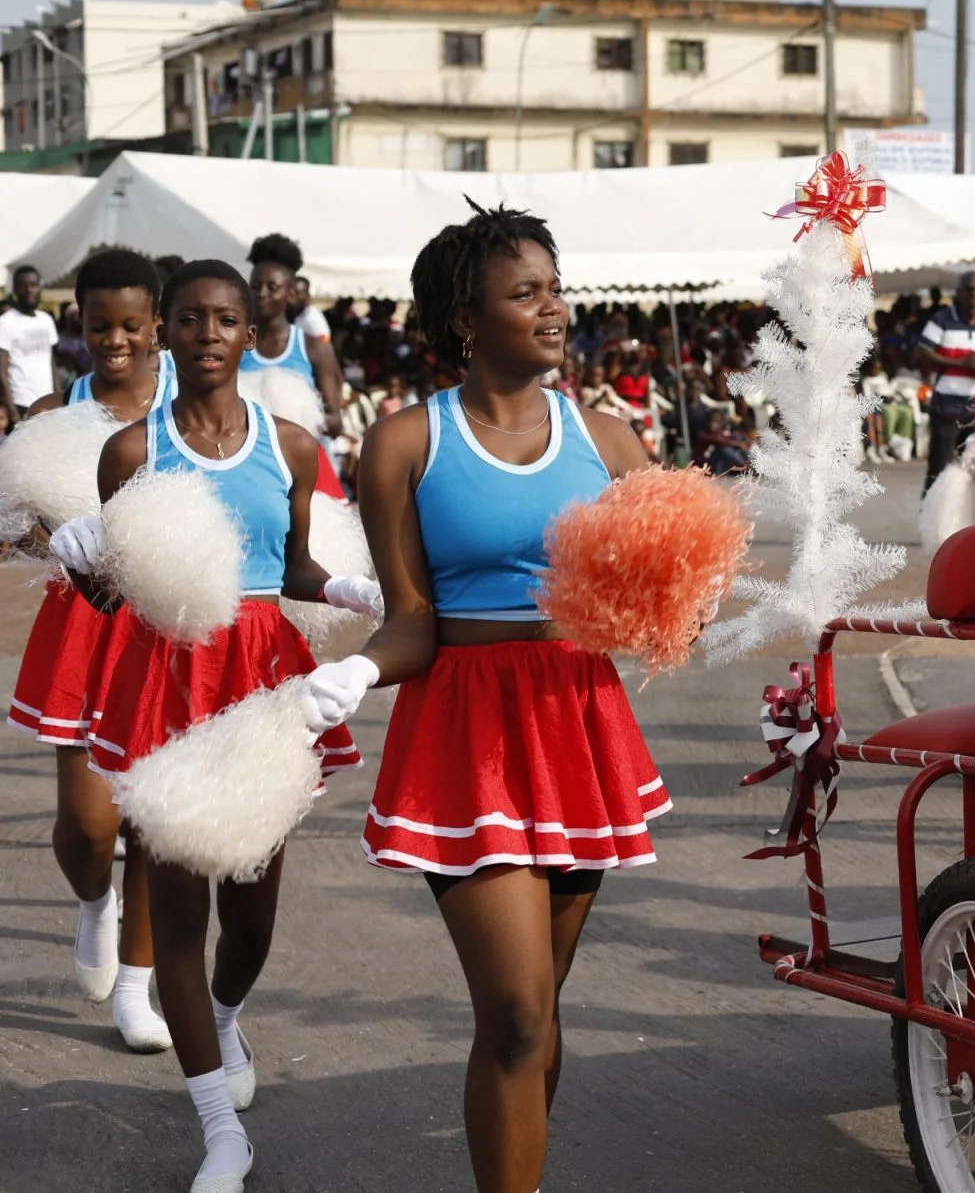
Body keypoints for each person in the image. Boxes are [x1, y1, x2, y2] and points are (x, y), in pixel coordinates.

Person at [337, 203, 669, 1193]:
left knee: (541, 1010)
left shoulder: (612, 442)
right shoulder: (403, 443)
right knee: (517, 1011)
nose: (554, 309)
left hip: (577, 724)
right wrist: (353, 671)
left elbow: (658, 610)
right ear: (465, 320)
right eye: (526, 293)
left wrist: (688, 597)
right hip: (464, 734)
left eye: (556, 288)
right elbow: (412, 621)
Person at [50, 258, 375, 1193]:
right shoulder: (130, 453)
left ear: (247, 330)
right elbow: (116, 592)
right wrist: (83, 562)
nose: (207, 335)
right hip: (168, 683)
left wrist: (348, 589)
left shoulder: (291, 445)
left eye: (224, 319)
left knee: (254, 917)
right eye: (189, 318)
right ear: (164, 329)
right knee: (181, 916)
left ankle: (227, 1018)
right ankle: (219, 1133)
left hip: (263, 682)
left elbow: (296, 566)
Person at [10, 249, 175, 1055]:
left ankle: (138, 988)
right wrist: (52, 542)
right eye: (100, 324)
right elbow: (13, 522)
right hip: (81, 623)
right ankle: (92, 901)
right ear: (78, 324)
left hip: (168, 623)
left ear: (156, 326)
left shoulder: (190, 405)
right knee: (86, 824)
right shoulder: (55, 411)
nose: (115, 340)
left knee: (151, 818)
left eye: (131, 325)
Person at [244, 235, 345, 437]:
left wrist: (294, 418)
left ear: (290, 293)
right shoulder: (235, 344)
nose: (262, 293)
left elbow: (335, 423)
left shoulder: (313, 347)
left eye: (272, 287)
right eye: (255, 286)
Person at [916, 271, 975, 490]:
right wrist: (960, 363)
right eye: (969, 289)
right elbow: (922, 352)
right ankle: (930, 509)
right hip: (945, 407)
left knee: (973, 471)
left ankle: (964, 511)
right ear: (959, 292)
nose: (974, 294)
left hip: (974, 409)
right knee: (939, 470)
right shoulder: (942, 319)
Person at [0, 263, 61, 416]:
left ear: (40, 287)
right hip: (21, 403)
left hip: (48, 402)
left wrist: (59, 398)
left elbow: (52, 364)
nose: (29, 290)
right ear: (15, 289)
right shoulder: (6, 322)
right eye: (23, 286)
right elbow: (1, 371)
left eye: (33, 285)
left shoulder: (46, 320)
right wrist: (12, 412)